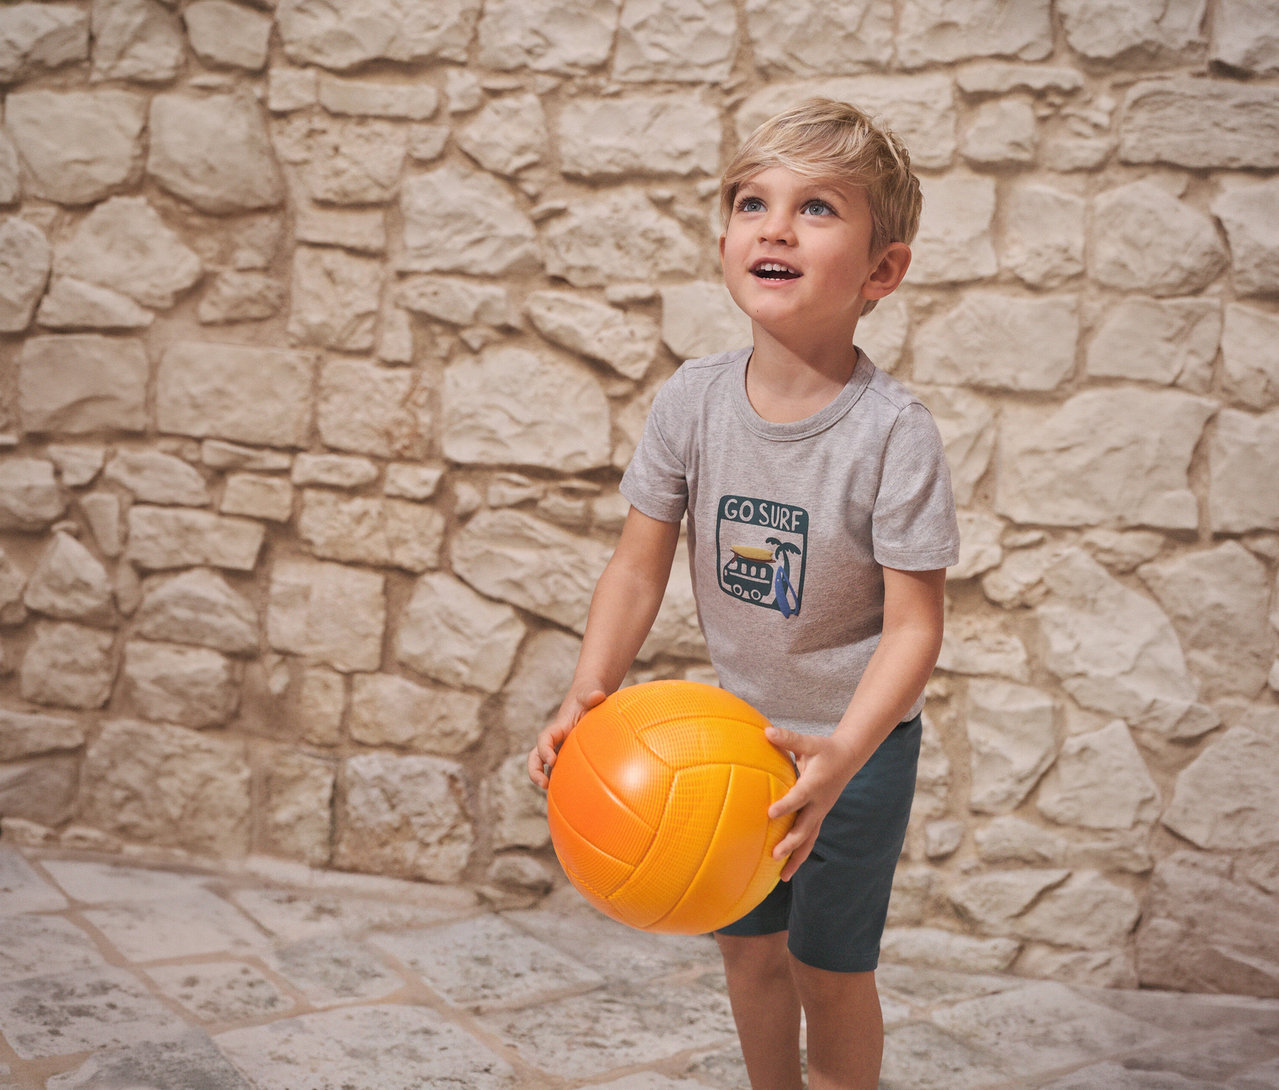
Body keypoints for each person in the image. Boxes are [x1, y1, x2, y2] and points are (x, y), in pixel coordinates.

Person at [528, 97, 959, 1090]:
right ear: (724, 239)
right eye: (751, 202)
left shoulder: (893, 433)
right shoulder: (692, 400)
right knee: (749, 950)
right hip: (732, 743)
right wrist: (585, 692)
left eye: (816, 209)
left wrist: (844, 757)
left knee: (827, 965)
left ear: (880, 270)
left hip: (853, 750)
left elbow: (914, 627)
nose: (773, 225)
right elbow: (638, 566)